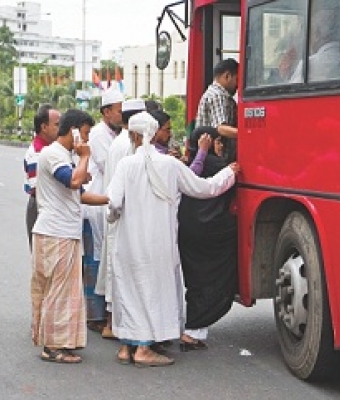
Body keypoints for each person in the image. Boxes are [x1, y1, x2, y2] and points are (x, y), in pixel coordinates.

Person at [108, 112, 240, 367]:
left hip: (128, 242)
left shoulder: (126, 165)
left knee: (131, 289)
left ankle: (127, 347)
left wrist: (117, 218)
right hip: (159, 243)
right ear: (153, 132)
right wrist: (229, 173)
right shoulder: (169, 165)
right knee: (152, 290)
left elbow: (112, 205)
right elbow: (204, 188)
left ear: (134, 136)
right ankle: (144, 350)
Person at [30, 109, 109, 364]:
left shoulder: (63, 156)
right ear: (73, 131)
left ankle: (61, 342)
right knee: (59, 292)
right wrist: (85, 157)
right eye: (85, 134)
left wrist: (111, 200)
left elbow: (80, 194)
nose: (86, 140)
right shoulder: (54, 154)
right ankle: (53, 347)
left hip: (61, 232)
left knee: (64, 292)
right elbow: (74, 182)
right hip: (56, 233)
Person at [178, 126, 237, 350]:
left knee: (195, 280)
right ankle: (194, 329)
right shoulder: (219, 167)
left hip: (188, 230)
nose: (221, 146)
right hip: (210, 233)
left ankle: (193, 329)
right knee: (213, 278)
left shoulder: (187, 164)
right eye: (219, 142)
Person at [95, 98, 146, 340]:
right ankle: (119, 326)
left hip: (114, 211)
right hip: (124, 212)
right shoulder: (132, 145)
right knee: (123, 271)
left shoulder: (117, 142)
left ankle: (110, 322)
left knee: (113, 267)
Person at [83, 85, 124, 334]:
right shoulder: (99, 135)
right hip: (98, 202)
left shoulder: (115, 135)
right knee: (97, 259)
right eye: (119, 111)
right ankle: (95, 315)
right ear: (107, 111)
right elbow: (110, 164)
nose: (121, 116)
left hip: (107, 200)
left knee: (105, 257)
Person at [24, 104, 61, 250]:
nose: (61, 128)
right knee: (44, 259)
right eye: (57, 124)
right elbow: (38, 188)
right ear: (44, 127)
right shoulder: (37, 154)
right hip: (41, 208)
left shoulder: (53, 149)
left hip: (49, 207)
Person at [195, 58, 239, 142]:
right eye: (237, 80)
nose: (237, 86)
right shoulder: (217, 95)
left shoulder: (223, 96)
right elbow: (221, 128)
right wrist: (247, 134)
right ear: (227, 76)